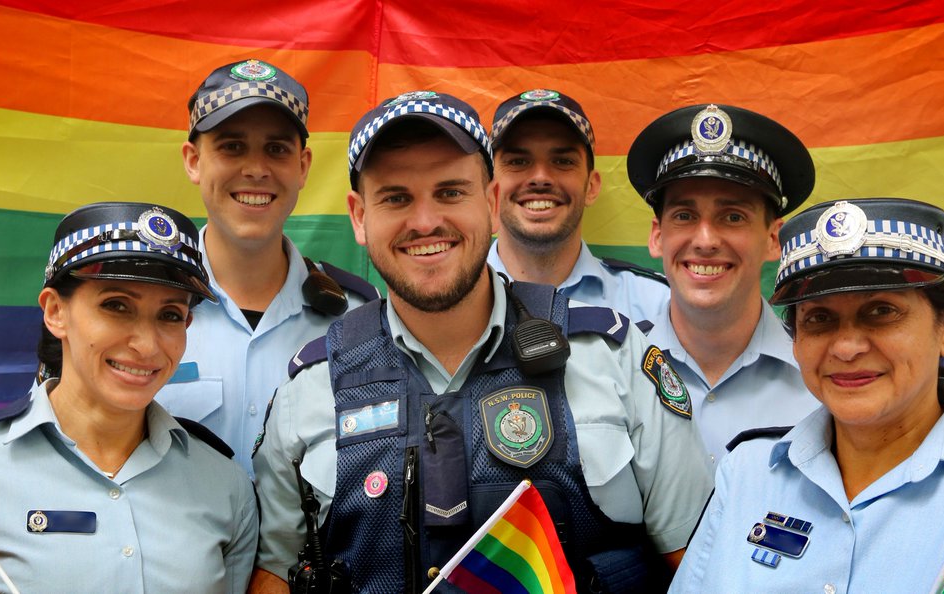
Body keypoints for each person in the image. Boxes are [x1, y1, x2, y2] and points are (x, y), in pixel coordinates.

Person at [249, 91, 712, 593]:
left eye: (450, 192)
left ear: (492, 204)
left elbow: (702, 565)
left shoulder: (613, 359)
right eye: (396, 198)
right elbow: (275, 572)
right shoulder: (310, 391)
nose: (425, 222)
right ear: (359, 217)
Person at [0, 59, 378, 476]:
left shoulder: (355, 315)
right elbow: (48, 441)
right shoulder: (116, 303)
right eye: (231, 146)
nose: (255, 168)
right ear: (193, 160)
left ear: (303, 166)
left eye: (277, 149)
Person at [671, 198, 944, 592]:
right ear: (794, 339)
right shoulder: (748, 473)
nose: (846, 348)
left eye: (882, 311)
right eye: (819, 318)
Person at [0, 202, 258, 592]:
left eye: (170, 315)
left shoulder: (226, 487)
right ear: (56, 311)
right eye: (116, 306)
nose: (147, 345)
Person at [625, 104, 821, 466]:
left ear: (773, 240)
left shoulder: (824, 375)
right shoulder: (610, 369)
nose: (705, 240)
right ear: (657, 237)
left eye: (733, 217)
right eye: (685, 215)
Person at [486, 89, 669, 325]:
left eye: (563, 161)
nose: (540, 178)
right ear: (490, 189)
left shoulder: (658, 306)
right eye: (518, 162)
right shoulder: (449, 298)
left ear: (591, 187)